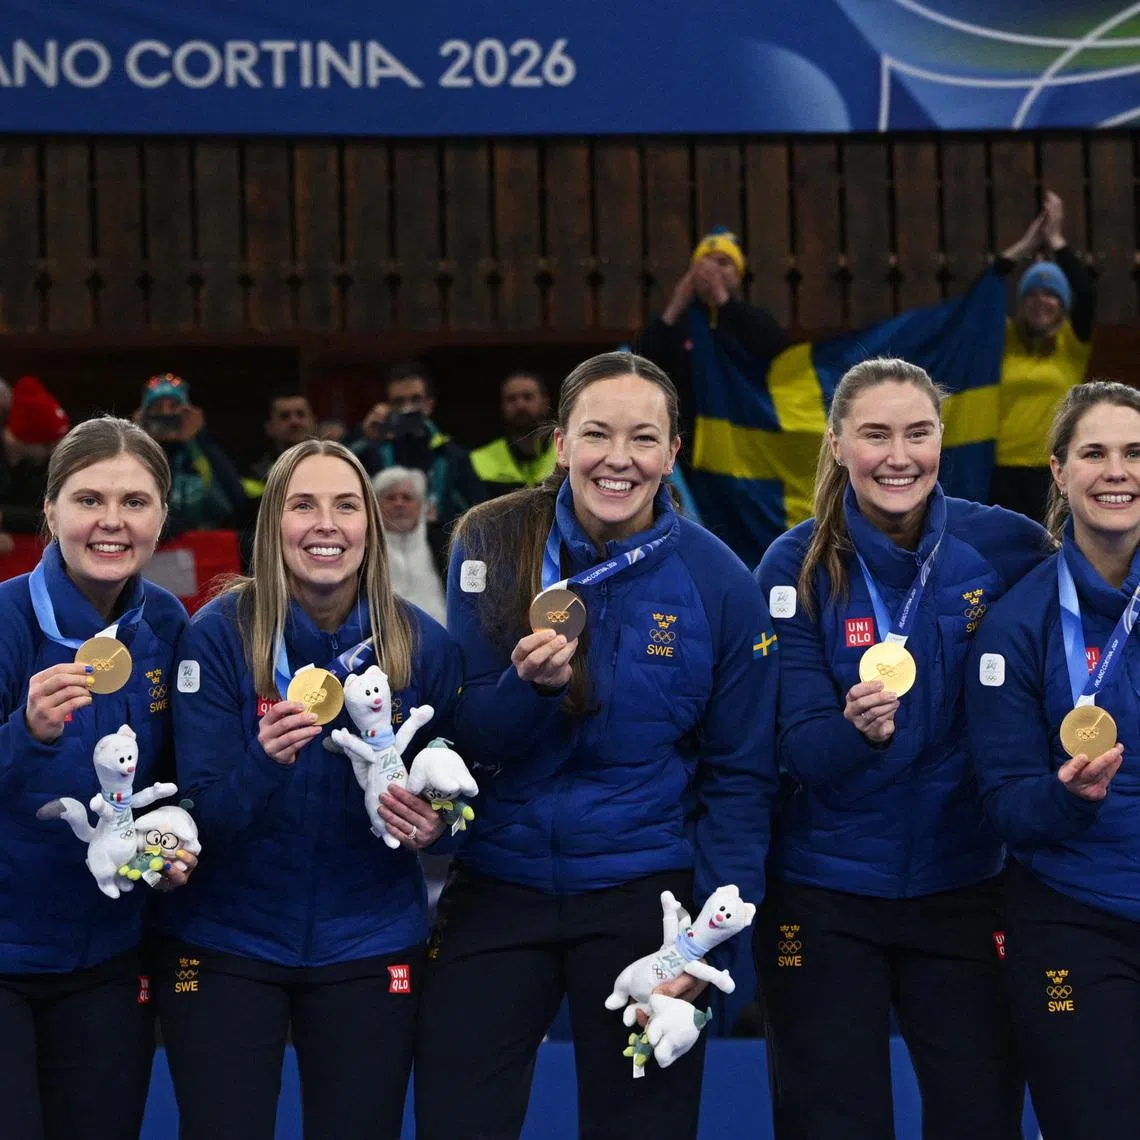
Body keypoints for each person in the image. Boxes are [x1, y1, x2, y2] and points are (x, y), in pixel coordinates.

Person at [414, 351, 778, 1140]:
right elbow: (467, 735)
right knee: (455, 1116)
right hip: (499, 881)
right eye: (597, 434)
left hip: (644, 893)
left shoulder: (721, 582)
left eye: (643, 438)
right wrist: (531, 689)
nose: (620, 458)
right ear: (560, 444)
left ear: (672, 453)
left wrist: (705, 948)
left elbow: (742, 777)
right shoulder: (492, 542)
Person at [753, 358, 1047, 1140]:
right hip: (824, 892)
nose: (898, 456)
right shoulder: (793, 565)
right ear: (838, 443)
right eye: (875, 435)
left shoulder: (1006, 545)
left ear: (941, 439)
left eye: (918, 434)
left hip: (964, 886)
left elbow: (1096, 593)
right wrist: (854, 733)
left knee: (980, 1118)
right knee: (832, 1123)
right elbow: (797, 747)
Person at [158, 438, 461, 1140]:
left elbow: (467, 793)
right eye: (303, 505)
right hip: (227, 939)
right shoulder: (218, 637)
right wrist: (264, 762)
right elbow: (199, 812)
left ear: (369, 527)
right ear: (273, 524)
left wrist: (440, 824)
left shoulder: (422, 644)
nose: (326, 524)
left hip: (370, 940)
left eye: (345, 506)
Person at [0, 416, 194, 1140]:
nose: (112, 521)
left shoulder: (167, 624)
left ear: (161, 518)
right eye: (89, 500)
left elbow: (177, 779)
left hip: (111, 959)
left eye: (134, 502)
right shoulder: (6, 621)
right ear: (50, 511)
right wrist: (26, 734)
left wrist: (174, 841)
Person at [966, 381, 1140, 1140]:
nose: (1117, 471)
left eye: (1135, 452)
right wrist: (1070, 797)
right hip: (1073, 916)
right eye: (1094, 452)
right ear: (1060, 473)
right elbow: (1005, 802)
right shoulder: (1016, 624)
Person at [989, 191, 1096, 522]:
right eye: (1032, 294)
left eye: (1051, 295)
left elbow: (1086, 292)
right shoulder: (1004, 337)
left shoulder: (1071, 342)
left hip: (1051, 470)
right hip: (999, 468)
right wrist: (1025, 244)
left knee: (1051, 547)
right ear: (1021, 302)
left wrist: (1056, 239)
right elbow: (984, 290)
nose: (1041, 301)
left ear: (1062, 305)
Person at [637, 226, 785, 454]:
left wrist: (721, 299)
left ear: (738, 274)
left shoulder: (753, 318)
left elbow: (771, 348)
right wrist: (677, 303)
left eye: (723, 263)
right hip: (688, 440)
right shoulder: (678, 321)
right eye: (705, 264)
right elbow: (643, 359)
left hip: (743, 438)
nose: (713, 271)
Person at [350, 360, 484, 533]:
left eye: (415, 400)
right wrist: (365, 436)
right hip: (385, 543)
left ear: (429, 404)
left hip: (439, 545)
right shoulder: (370, 452)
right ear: (387, 408)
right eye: (399, 402)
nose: (408, 408)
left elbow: (479, 514)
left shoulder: (454, 457)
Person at [136, 372, 248, 536]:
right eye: (157, 408)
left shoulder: (204, 453)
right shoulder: (136, 457)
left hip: (206, 545)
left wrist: (199, 438)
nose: (166, 414)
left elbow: (238, 501)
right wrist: (137, 438)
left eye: (174, 407)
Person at [373, 465, 447, 627]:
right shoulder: (363, 546)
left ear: (421, 505)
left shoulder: (445, 541)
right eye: (390, 498)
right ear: (375, 505)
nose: (399, 504)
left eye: (407, 498)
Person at [0, 375, 71, 539]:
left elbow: (56, 515)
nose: (54, 451)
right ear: (23, 440)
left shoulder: (41, 464)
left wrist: (5, 517)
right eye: (48, 445)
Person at [470, 371, 557, 496]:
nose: (520, 405)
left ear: (545, 403)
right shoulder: (479, 460)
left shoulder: (568, 453)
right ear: (502, 406)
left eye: (528, 397)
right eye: (511, 399)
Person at [243, 388, 317, 499]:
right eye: (284, 416)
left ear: (314, 422)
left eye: (300, 414)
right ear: (269, 428)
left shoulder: (337, 465)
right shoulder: (257, 476)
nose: (294, 421)